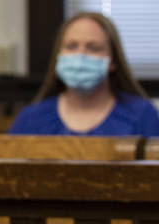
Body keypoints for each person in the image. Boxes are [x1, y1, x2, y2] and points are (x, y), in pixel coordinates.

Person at [9, 12, 159, 135]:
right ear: (58, 56)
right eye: (71, 46)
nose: (80, 56)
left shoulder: (142, 115)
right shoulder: (31, 119)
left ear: (113, 61)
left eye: (93, 48)